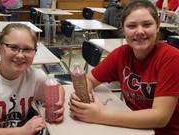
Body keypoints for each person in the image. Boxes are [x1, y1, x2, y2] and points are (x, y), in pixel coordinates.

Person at [69, 0, 179, 134]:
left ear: (157, 26)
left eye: (147, 25)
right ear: (122, 29)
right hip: (133, 128)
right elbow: (90, 79)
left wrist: (99, 116)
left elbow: (160, 117)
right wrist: (84, 98)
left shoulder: (172, 58)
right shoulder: (121, 54)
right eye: (132, 26)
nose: (139, 31)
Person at [0, 23, 65, 134]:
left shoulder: (34, 76)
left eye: (27, 49)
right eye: (13, 47)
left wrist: (58, 103)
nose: (20, 55)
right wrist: (22, 131)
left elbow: (58, 88)